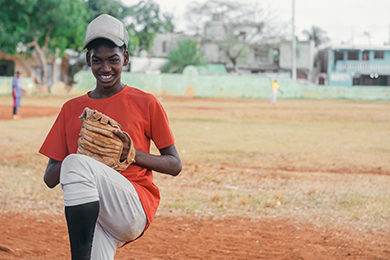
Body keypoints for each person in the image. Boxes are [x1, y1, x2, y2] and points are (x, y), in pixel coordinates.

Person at [39, 14, 182, 260]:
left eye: (113, 59)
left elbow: (174, 165)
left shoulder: (145, 102)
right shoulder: (71, 109)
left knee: (76, 164)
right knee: (76, 164)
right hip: (93, 214)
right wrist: (86, 157)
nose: (105, 68)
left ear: (125, 58)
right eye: (97, 60)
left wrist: (132, 155)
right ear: (88, 61)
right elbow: (50, 178)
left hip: (132, 206)